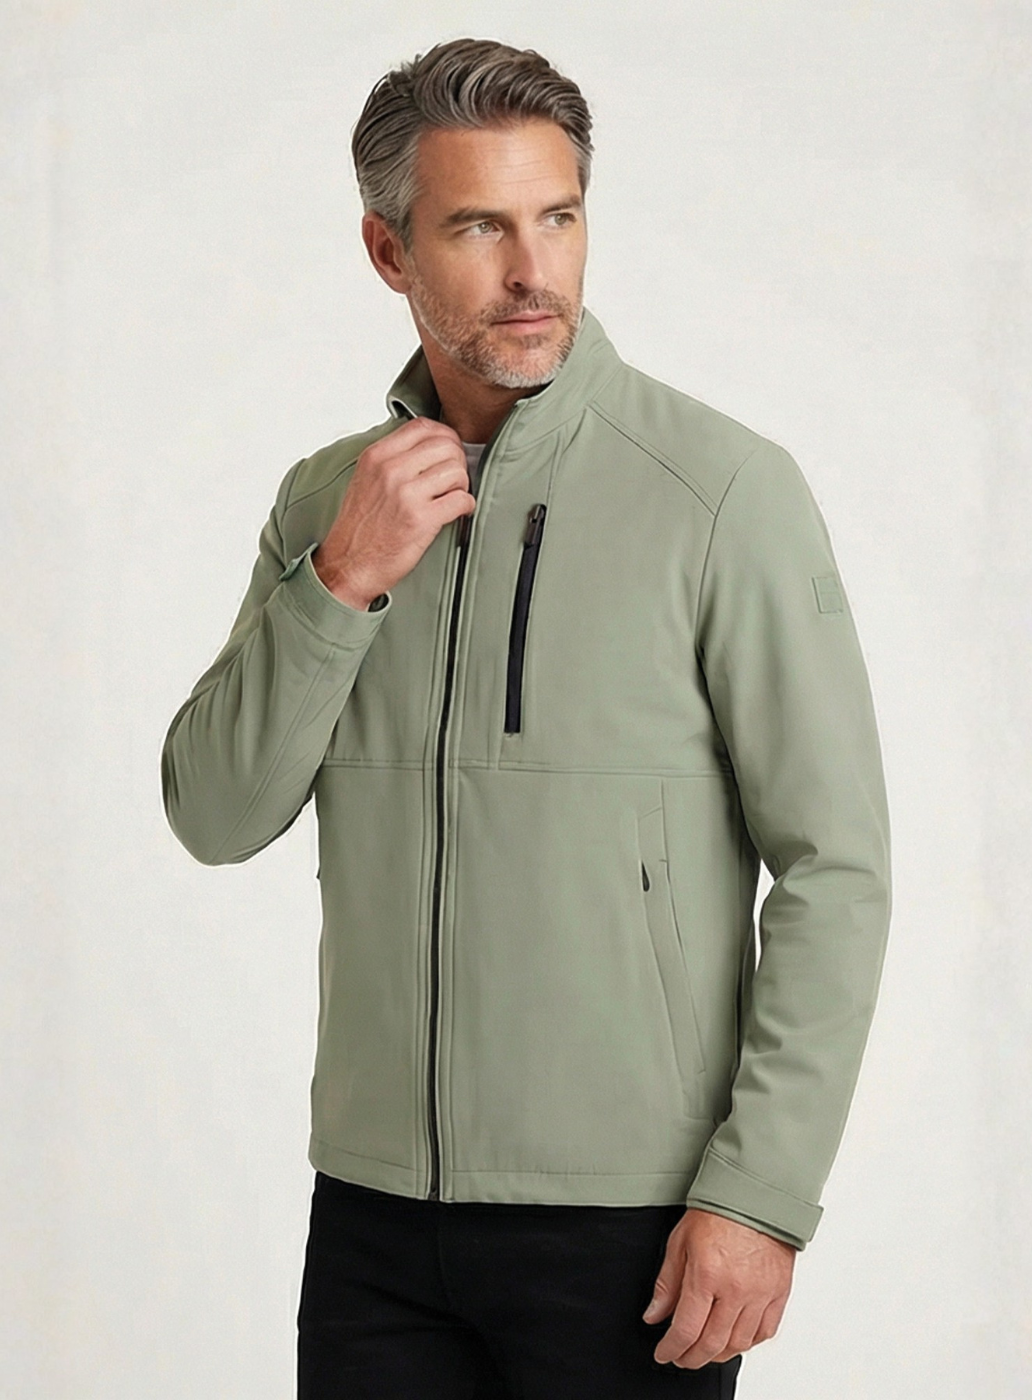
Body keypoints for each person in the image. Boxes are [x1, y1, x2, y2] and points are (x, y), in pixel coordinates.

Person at [160, 36, 892, 1399]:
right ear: (389, 252)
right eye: (478, 227)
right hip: (375, 1220)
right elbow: (213, 812)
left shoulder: (720, 493)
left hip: (633, 1227)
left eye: (558, 217)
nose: (531, 271)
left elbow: (835, 867)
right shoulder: (329, 503)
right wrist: (342, 580)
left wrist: (763, 1193)